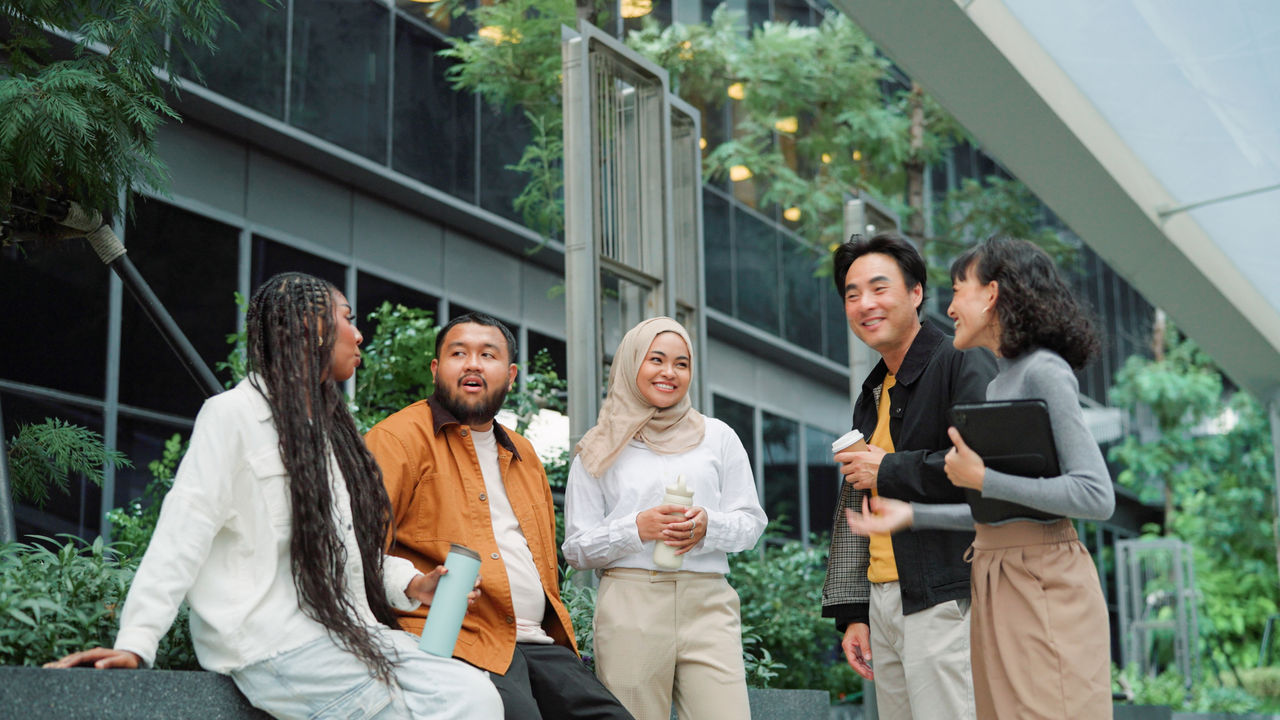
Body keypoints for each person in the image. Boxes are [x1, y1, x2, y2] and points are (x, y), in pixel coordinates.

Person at [45, 272, 502, 720]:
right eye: (347, 318)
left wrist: (412, 585)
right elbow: (183, 531)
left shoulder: (327, 435)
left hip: (346, 636)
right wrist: (135, 643)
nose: (359, 335)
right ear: (310, 325)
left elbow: (339, 551)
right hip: (276, 646)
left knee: (475, 694)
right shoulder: (232, 416)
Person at [845, 236, 1116, 718]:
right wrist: (913, 515)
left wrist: (982, 479)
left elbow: (1096, 496)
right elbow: (997, 515)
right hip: (997, 575)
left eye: (958, 290)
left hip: (1041, 578)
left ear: (991, 295)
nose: (949, 308)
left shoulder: (1044, 371)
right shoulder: (998, 381)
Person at [364, 312, 632, 720]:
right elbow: (360, 553)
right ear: (437, 369)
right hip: (457, 637)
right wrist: (417, 584)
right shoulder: (396, 439)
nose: (472, 363)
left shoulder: (524, 454)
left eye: (487, 355)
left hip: (538, 642)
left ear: (509, 376)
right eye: (459, 353)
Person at [820, 232, 994, 720]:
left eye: (879, 288)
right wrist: (855, 614)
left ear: (916, 293)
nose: (864, 304)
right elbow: (858, 503)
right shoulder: (874, 388)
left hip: (945, 592)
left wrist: (889, 467)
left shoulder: (960, 359)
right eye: (852, 294)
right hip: (884, 599)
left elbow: (986, 469)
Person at [562, 317, 766, 720]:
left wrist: (709, 524)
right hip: (631, 603)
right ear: (631, 362)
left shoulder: (718, 436)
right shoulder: (599, 446)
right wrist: (637, 528)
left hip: (709, 601)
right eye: (656, 359)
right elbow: (576, 548)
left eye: (682, 363)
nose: (669, 373)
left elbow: (751, 523)